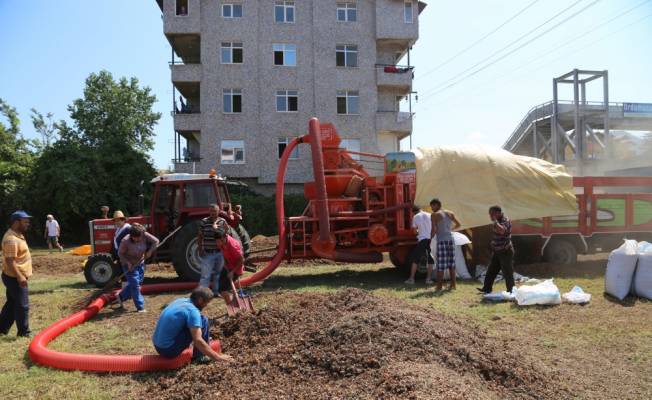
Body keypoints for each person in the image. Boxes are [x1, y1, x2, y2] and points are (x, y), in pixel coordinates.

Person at [153, 287, 233, 362]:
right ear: (200, 300)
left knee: (196, 321)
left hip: (157, 345)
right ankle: (200, 356)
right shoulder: (193, 311)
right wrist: (218, 357)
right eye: (207, 302)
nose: (206, 305)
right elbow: (197, 340)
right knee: (203, 320)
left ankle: (197, 348)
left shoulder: (180, 300)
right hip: (169, 350)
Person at [1, 211, 33, 337]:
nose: (28, 224)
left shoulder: (18, 235)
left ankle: (1, 328)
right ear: (16, 222)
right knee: (22, 305)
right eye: (25, 221)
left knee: (12, 304)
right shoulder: (11, 239)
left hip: (14, 276)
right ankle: (24, 332)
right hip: (14, 277)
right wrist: (20, 276)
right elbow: (10, 260)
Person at [117, 223, 159, 312]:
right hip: (129, 265)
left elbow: (156, 241)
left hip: (140, 263)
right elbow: (120, 253)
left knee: (137, 283)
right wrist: (127, 263)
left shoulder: (144, 234)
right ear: (131, 236)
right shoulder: (125, 241)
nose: (137, 239)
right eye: (135, 238)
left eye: (139, 237)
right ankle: (140, 307)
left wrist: (150, 251)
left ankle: (121, 296)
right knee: (135, 285)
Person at [479, 206, 515, 294]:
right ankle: (487, 288)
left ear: (498, 213)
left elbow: (502, 231)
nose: (490, 216)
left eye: (492, 214)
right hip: (497, 251)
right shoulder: (498, 221)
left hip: (505, 251)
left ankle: (511, 291)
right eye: (490, 214)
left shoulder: (505, 220)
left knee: (507, 272)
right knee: (491, 270)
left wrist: (495, 221)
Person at [430, 198, 461, 291]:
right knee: (452, 264)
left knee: (441, 264)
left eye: (432, 206)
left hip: (442, 241)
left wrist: (430, 239)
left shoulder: (434, 215)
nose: (432, 208)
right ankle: (453, 285)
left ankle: (439, 286)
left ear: (437, 205)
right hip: (451, 240)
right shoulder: (450, 213)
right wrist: (450, 231)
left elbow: (434, 229)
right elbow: (459, 224)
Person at [198, 204, 228, 295]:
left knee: (217, 274)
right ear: (209, 212)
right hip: (208, 252)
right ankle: (202, 294)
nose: (213, 213)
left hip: (219, 253)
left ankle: (215, 292)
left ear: (218, 211)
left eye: (215, 211)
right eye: (211, 211)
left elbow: (226, 235)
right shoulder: (204, 222)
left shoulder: (223, 221)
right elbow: (199, 236)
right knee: (205, 275)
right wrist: (200, 249)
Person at [212, 228, 244, 304]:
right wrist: (225, 264)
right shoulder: (221, 242)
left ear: (223, 239)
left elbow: (242, 260)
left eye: (218, 241)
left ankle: (230, 305)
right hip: (228, 267)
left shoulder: (233, 246)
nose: (217, 243)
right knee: (218, 285)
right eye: (216, 241)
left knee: (222, 289)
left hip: (236, 269)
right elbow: (224, 255)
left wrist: (232, 272)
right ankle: (231, 302)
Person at [404, 205, 435, 285]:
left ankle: (411, 279)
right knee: (430, 260)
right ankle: (428, 279)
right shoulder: (429, 215)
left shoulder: (416, 217)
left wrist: (418, 232)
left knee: (415, 259)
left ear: (413, 212)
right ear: (420, 209)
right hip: (431, 239)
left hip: (422, 240)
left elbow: (414, 231)